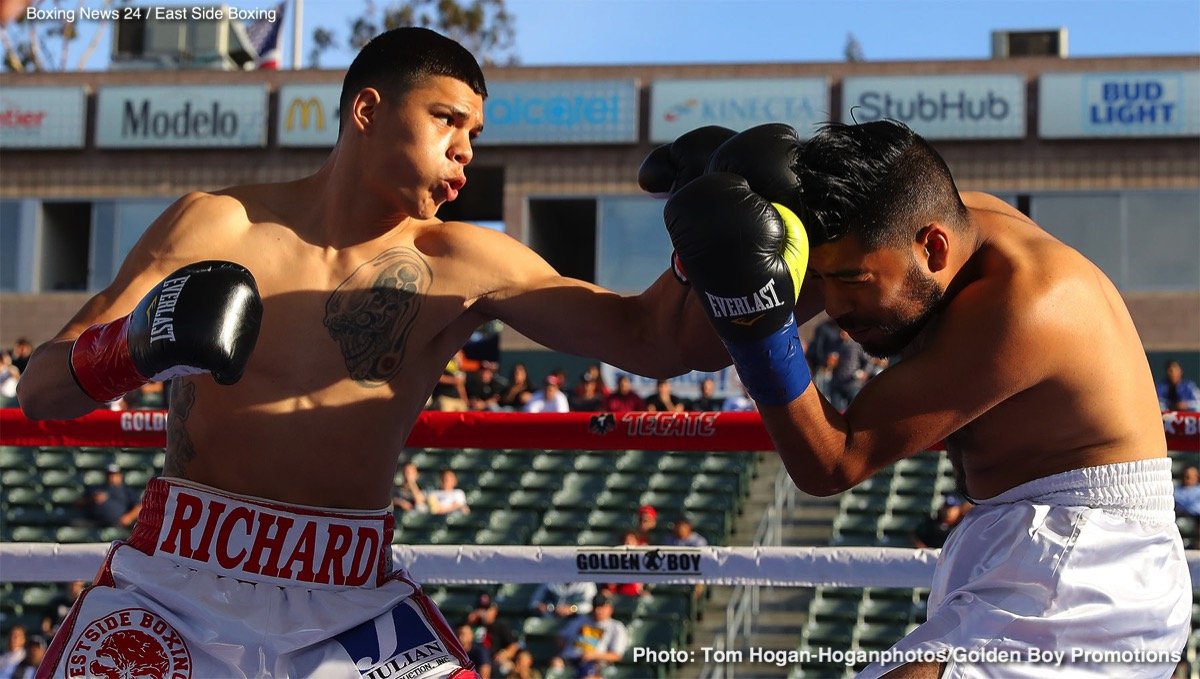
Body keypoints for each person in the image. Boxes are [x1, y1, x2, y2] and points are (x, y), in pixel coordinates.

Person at [18, 27, 726, 679]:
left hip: (351, 601)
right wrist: (134, 346)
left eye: (474, 133)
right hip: (177, 582)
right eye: (447, 119)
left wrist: (725, 243)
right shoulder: (219, 225)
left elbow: (656, 340)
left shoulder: (463, 262)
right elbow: (42, 392)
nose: (466, 150)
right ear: (367, 111)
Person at [650, 119, 1191, 677]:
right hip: (1040, 548)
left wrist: (756, 327)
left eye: (853, 280)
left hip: (1087, 567)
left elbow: (833, 461)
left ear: (933, 246)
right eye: (821, 280)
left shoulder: (1028, 305)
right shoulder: (940, 223)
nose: (833, 307)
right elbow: (649, 339)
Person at [556, 594, 629, 679]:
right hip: (571, 659)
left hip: (595, 663)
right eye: (595, 607)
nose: (597, 610)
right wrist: (566, 646)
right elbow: (561, 636)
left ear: (610, 609)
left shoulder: (616, 627)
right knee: (556, 665)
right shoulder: (581, 620)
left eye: (601, 607)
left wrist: (594, 655)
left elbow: (616, 655)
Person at [465, 594, 519, 679]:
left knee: (508, 667)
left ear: (495, 610)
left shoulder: (500, 625)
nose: (483, 612)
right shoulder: (471, 624)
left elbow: (514, 645)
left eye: (487, 609)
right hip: (472, 659)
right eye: (481, 609)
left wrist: (504, 654)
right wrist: (469, 622)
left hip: (493, 660)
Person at [79, 464, 141, 528]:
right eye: (109, 474)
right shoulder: (97, 488)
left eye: (114, 474)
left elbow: (139, 506)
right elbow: (79, 503)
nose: (111, 477)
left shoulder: (127, 490)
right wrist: (92, 499)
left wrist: (129, 517)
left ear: (120, 476)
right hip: (96, 523)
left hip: (119, 524)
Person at [528, 582, 598, 619]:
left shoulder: (587, 584)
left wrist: (572, 608)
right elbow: (534, 603)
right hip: (551, 618)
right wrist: (541, 607)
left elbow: (591, 606)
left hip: (575, 621)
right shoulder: (549, 581)